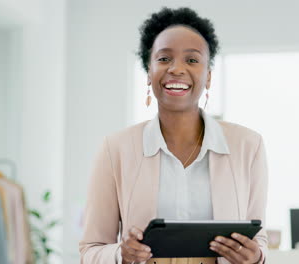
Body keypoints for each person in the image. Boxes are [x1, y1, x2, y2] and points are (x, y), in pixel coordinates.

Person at [79, 7, 268, 264]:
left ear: (208, 77)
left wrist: (255, 257)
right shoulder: (116, 149)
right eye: (164, 59)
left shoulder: (248, 145)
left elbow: (260, 239)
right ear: (149, 72)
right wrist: (119, 254)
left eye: (191, 60)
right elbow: (91, 249)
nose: (176, 69)